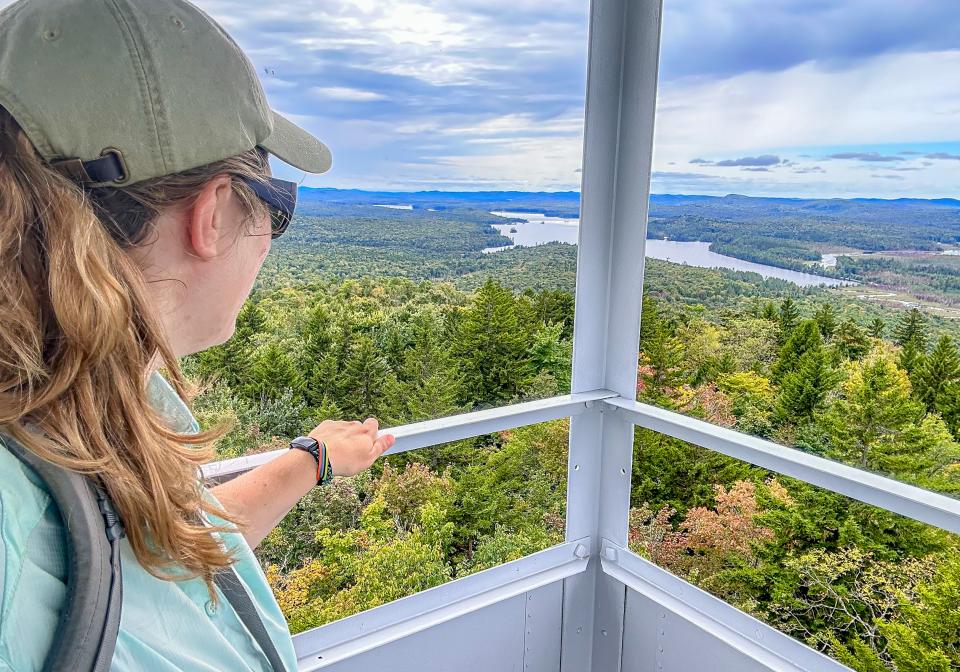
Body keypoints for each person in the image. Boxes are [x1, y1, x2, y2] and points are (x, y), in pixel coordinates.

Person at [0, 0, 395, 669]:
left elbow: (153, 555)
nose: (270, 237)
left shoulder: (74, 395)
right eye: (274, 205)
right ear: (210, 215)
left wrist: (311, 459)